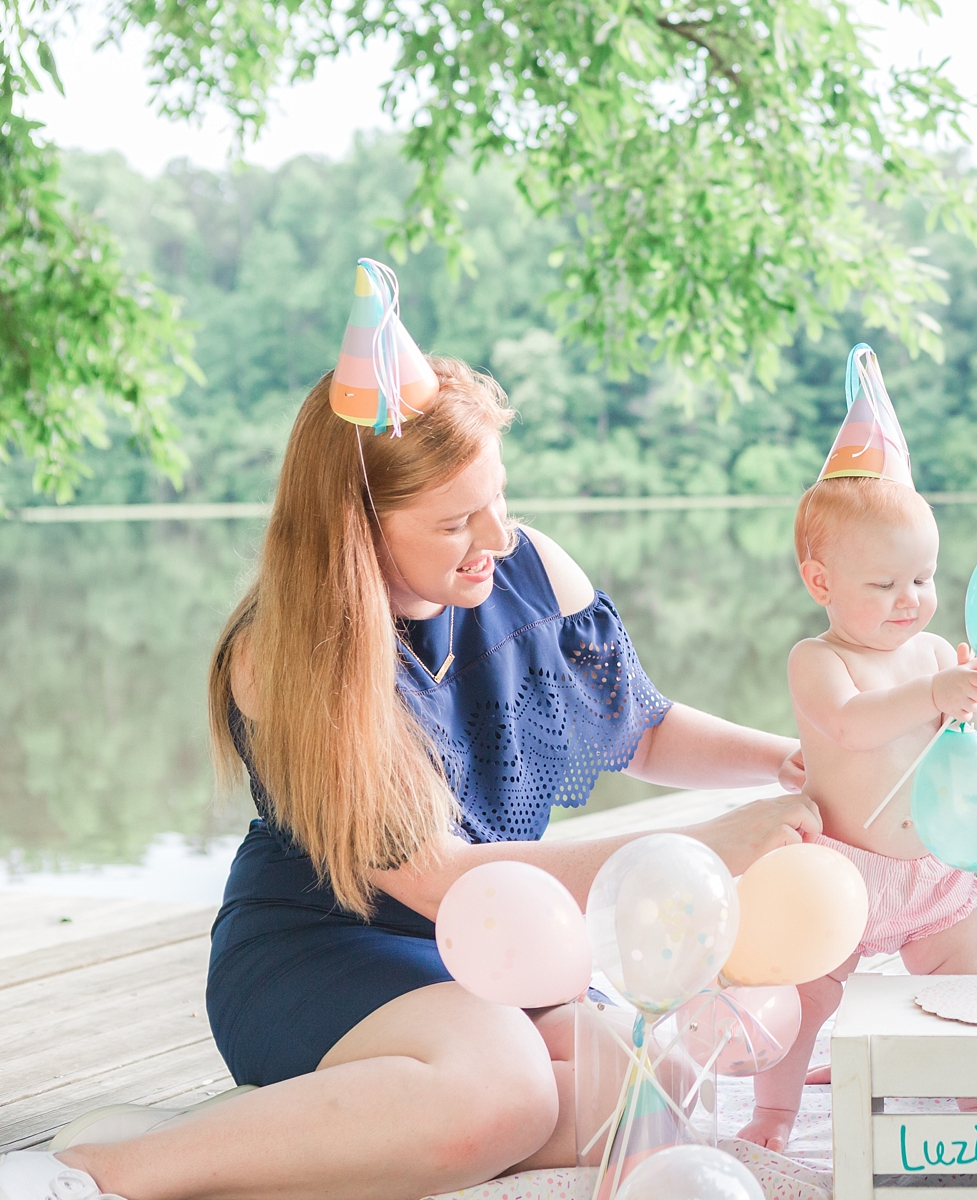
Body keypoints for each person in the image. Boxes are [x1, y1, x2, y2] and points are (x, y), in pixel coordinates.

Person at [0, 262, 820, 1200]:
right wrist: (699, 846)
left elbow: (640, 726)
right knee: (505, 1097)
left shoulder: (526, 569)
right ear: (356, 528)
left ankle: (269, 1142)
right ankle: (104, 1170)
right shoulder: (282, 656)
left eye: (499, 498)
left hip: (502, 946)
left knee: (631, 1102)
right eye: (456, 522)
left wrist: (784, 763)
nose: (499, 537)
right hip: (326, 946)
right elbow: (437, 879)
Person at [738, 347, 977, 1152]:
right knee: (806, 991)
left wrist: (973, 705)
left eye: (922, 579)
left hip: (931, 873)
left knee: (967, 991)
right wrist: (930, 697)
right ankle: (774, 1115)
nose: (910, 601)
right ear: (822, 583)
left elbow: (970, 751)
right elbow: (851, 725)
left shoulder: (931, 657)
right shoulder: (819, 660)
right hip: (843, 873)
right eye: (884, 585)